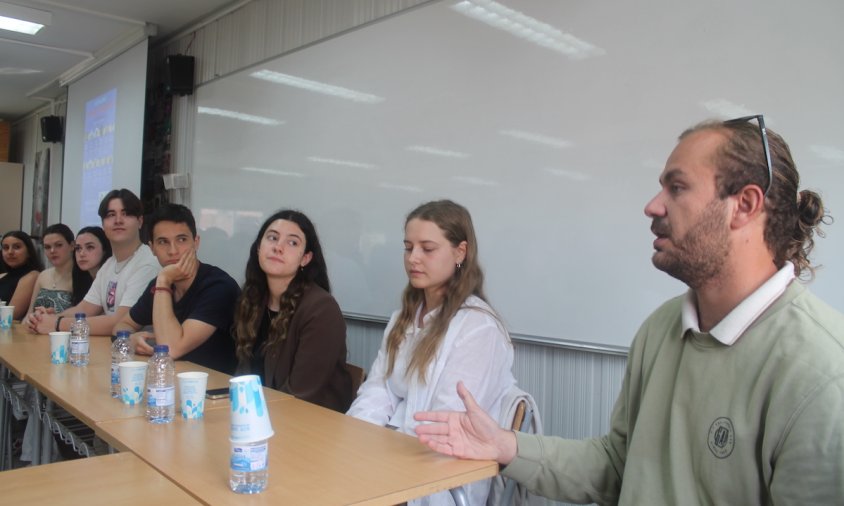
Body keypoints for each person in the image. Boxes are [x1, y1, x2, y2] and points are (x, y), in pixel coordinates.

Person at [414, 118, 844, 504]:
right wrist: (506, 446)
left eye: (676, 188)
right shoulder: (661, 329)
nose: (653, 206)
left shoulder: (821, 372)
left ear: (745, 205)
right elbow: (618, 466)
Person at [348, 199, 515, 506]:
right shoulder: (404, 316)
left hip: (442, 477)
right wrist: (355, 442)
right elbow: (378, 389)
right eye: (408, 247)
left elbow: (446, 425)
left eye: (427, 248)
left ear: (460, 252)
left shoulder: (478, 328)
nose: (413, 258)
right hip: (394, 458)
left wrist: (380, 453)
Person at [233, 209, 353, 412]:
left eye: (292, 243)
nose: (278, 247)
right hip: (259, 416)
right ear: (258, 248)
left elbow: (299, 394)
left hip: (308, 424)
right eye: (272, 238)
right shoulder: (252, 299)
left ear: (305, 258)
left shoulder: (321, 309)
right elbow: (243, 375)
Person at [113, 204, 239, 374]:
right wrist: (130, 340)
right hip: (172, 380)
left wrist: (164, 280)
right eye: (163, 242)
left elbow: (170, 349)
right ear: (152, 248)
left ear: (196, 242)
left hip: (214, 389)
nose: (173, 251)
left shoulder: (219, 287)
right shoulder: (158, 284)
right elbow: (123, 324)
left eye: (181, 240)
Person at [28, 189, 160, 335]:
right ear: (103, 225)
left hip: (139, 353)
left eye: (126, 213)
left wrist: (57, 323)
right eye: (111, 215)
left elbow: (121, 322)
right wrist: (46, 318)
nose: (118, 220)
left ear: (140, 221)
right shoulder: (109, 265)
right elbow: (84, 309)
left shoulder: (148, 263)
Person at [26, 224, 75, 315]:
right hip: (34, 327)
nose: (52, 251)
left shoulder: (82, 276)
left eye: (58, 245)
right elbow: (29, 314)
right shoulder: (43, 275)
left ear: (72, 245)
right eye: (47, 247)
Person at [0, 231, 43, 320]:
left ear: (29, 252)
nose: (10, 252)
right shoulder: (2, 276)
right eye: (5, 248)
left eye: (17, 247)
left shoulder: (32, 276)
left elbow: (11, 315)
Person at [70, 226, 112, 305]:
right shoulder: (81, 280)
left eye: (90, 247)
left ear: (105, 250)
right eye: (78, 248)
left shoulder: (111, 281)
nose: (81, 254)